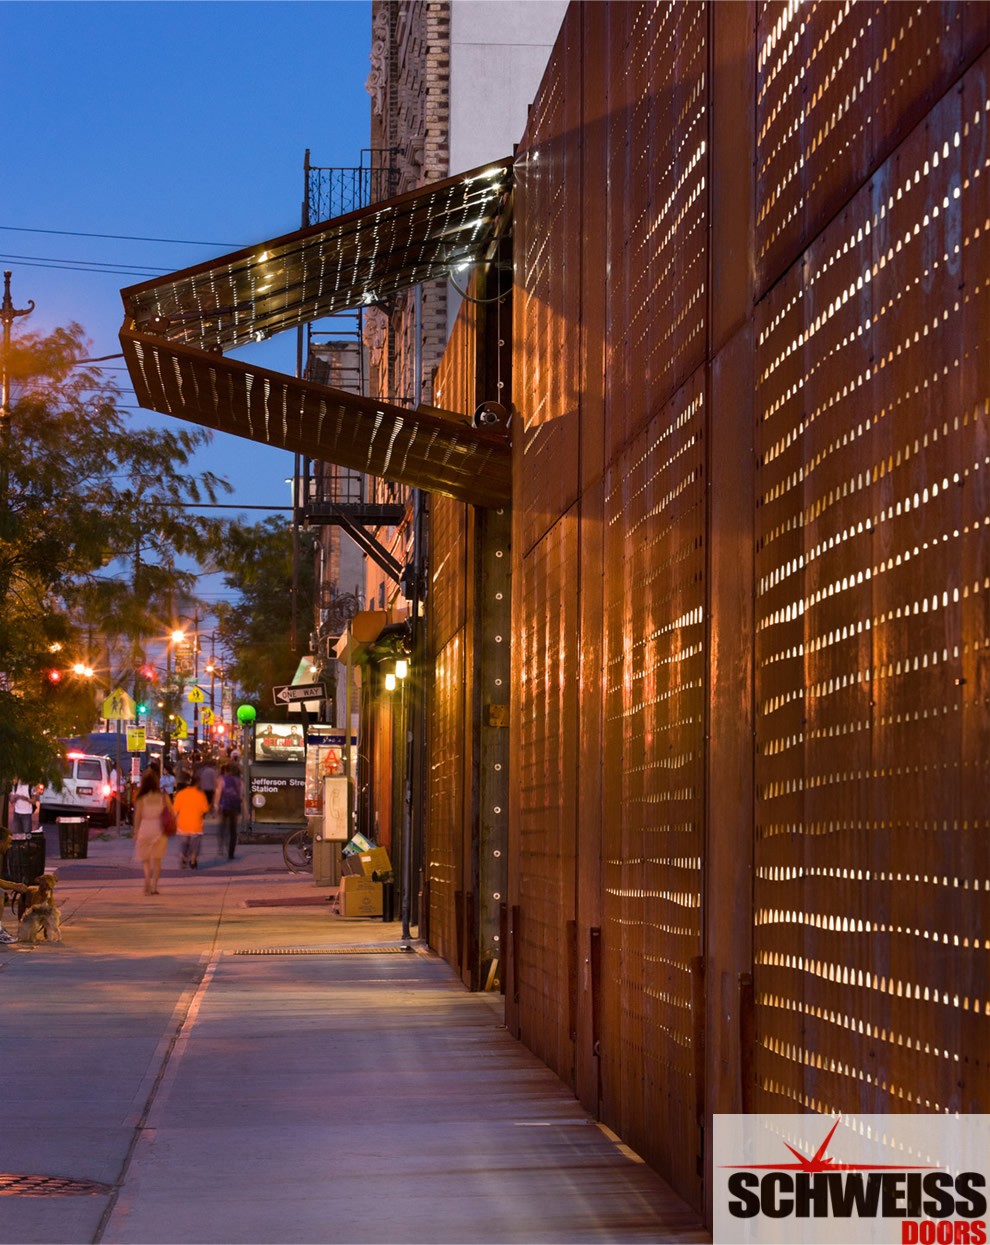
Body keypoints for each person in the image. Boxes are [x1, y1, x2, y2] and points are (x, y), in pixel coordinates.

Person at [132, 767, 173, 895]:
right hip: (159, 829)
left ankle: (147, 882)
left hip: (145, 828)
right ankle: (154, 886)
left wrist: (135, 832)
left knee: (146, 861)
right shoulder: (163, 796)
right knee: (157, 860)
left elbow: (137, 817)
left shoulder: (141, 799)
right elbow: (171, 812)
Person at [173, 775, 209, 869]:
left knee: (184, 844)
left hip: (182, 825)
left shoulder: (181, 794)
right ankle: (193, 861)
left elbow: (175, 810)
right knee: (195, 845)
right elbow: (205, 809)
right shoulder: (201, 795)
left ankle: (183, 856)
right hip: (196, 825)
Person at [216, 763, 242, 860]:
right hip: (235, 807)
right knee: (233, 831)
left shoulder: (222, 779)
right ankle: (231, 852)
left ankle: (221, 847)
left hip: (225, 806)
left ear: (226, 771)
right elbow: (241, 795)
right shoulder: (239, 780)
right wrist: (245, 811)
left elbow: (218, 793)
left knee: (222, 828)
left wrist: (216, 806)